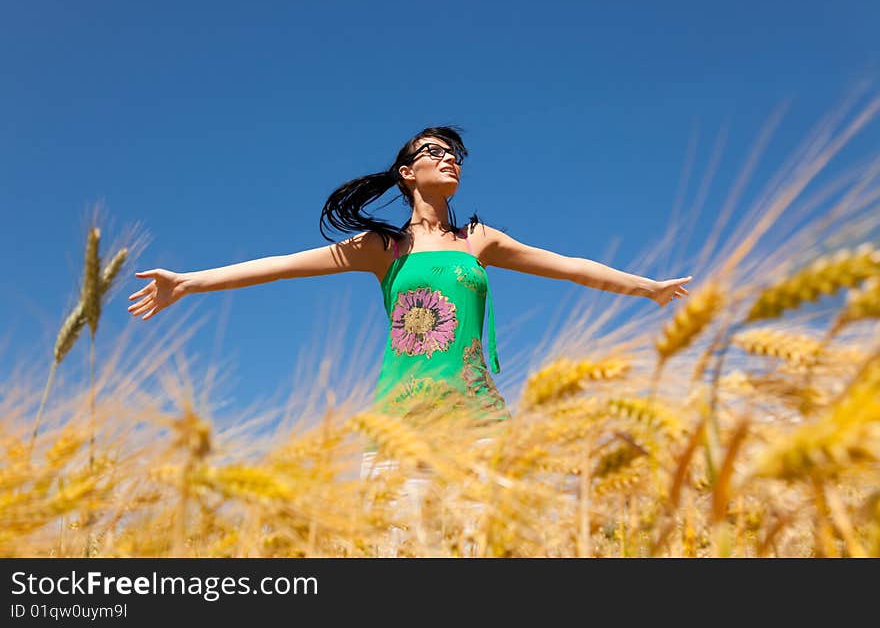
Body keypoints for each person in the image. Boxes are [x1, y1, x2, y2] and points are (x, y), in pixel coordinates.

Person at [126, 123, 692, 472]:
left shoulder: (480, 240)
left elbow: (568, 266)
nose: (449, 157)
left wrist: (647, 287)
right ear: (407, 172)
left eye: (455, 154)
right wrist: (189, 282)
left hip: (480, 419)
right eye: (434, 150)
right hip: (401, 420)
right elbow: (280, 267)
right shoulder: (384, 247)